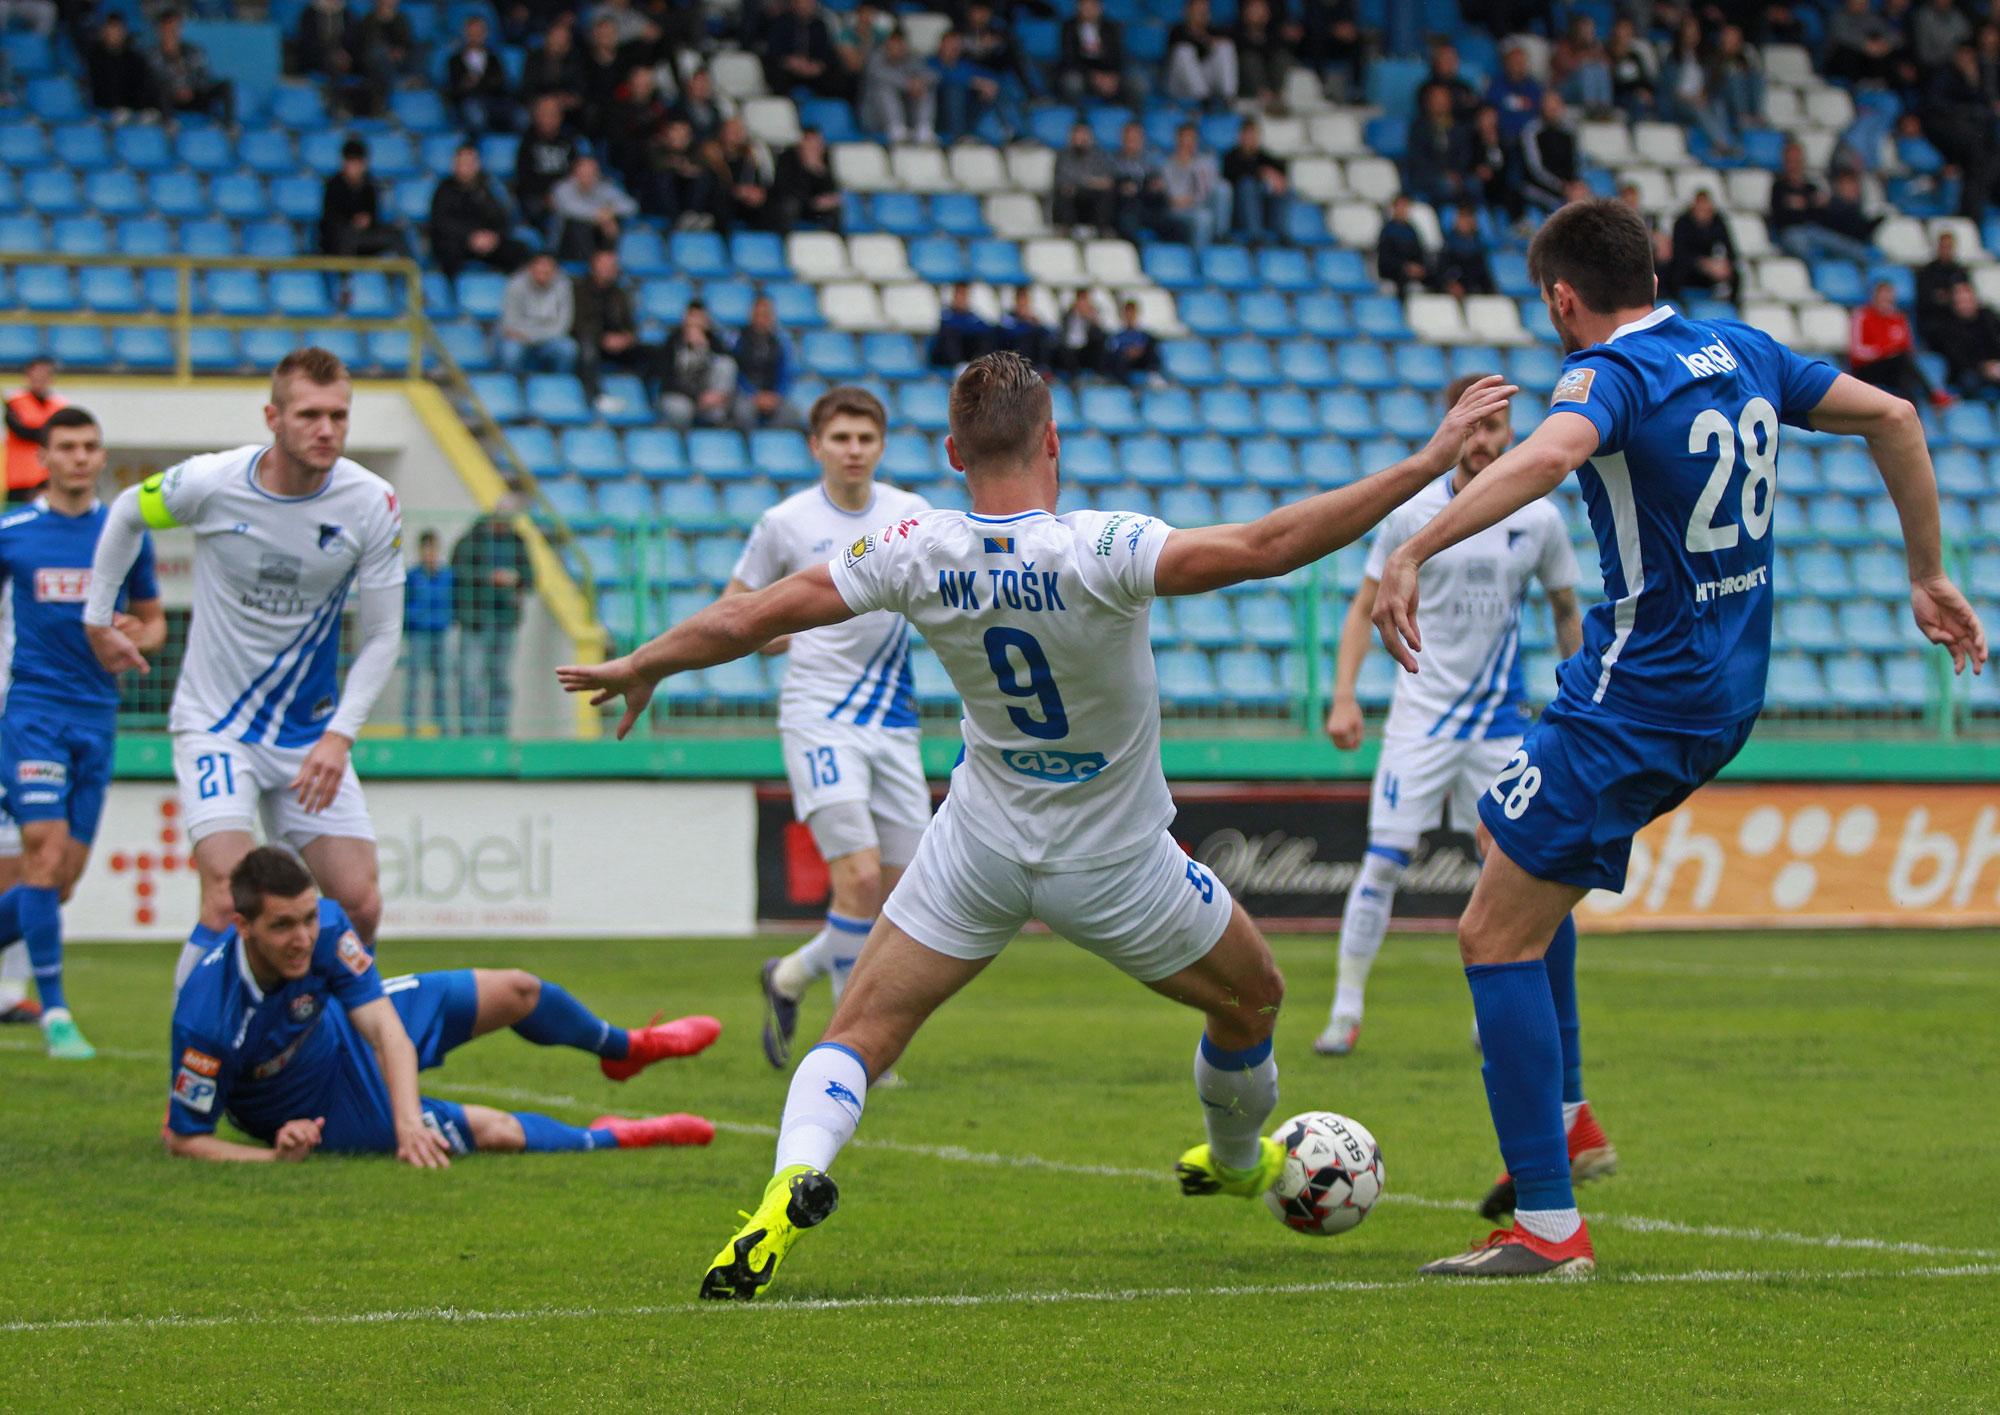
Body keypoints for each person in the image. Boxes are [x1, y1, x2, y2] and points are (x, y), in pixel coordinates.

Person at [555, 353, 1518, 1301]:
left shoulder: (911, 543)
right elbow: (1269, 544)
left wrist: (647, 662)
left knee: (863, 1028)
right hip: (1117, 861)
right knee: (1254, 997)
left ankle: (784, 1184)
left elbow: (757, 612)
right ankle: (1235, 1160)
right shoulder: (1102, 548)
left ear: (949, 452)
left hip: (976, 845)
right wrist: (1428, 461)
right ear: (1053, 441)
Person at [1368, 197, 1984, 1277]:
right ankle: (1564, 1114)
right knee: (1505, 832)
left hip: (1638, 698)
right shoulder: (1737, 347)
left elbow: (1552, 454)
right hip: (1718, 687)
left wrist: (1418, 540)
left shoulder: (1604, 376)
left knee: (1487, 934)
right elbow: (1894, 415)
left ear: (1564, 297)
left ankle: (1547, 1227)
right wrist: (1925, 573)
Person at [84, 350, 407, 993]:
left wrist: (339, 736)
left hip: (309, 738)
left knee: (361, 903)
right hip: (216, 726)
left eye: (339, 415)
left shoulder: (372, 502)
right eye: (309, 414)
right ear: (273, 417)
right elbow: (124, 510)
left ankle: (308, 1042)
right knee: (230, 901)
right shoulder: (210, 483)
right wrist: (97, 618)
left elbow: (382, 633)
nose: (327, 430)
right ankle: (195, 1065)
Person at [1317, 374, 1582, 1059]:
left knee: (1510, 868)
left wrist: (1578, 696)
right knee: (1383, 862)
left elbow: (1564, 609)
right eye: (1473, 428)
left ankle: (1493, 1012)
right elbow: (1362, 606)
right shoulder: (1412, 517)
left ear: (1512, 434)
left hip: (1500, 725)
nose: (1484, 441)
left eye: (1496, 428)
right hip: (1421, 718)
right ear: (1454, 430)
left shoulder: (1539, 518)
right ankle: (1345, 1011)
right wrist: (1344, 695)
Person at [165, 847, 721, 1164]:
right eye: (282, 926)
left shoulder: (327, 928)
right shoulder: (206, 1019)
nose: (302, 937)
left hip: (344, 1032)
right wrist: (275, 1157)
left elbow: (384, 1029)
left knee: (518, 989)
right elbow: (184, 1137)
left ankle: (625, 1048)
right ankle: (620, 1135)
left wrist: (408, 1122)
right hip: (325, 1105)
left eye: (308, 917)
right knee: (496, 1130)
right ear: (242, 928)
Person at [722, 389, 933, 1066]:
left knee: (903, 896)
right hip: (819, 717)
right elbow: (737, 613)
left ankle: (790, 974)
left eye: (865, 438)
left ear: (881, 446)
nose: (853, 450)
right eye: (840, 437)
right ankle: (852, 1049)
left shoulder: (912, 515)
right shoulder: (784, 523)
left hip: (894, 719)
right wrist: (788, 630)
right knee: (860, 878)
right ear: (816, 445)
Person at [0, 408, 165, 1059]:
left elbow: (154, 621)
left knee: (59, 880)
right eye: (65, 446)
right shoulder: (12, 531)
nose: (78, 456)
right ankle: (57, 1012)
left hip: (97, 718)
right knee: (41, 852)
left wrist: (135, 635)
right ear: (44, 457)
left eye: (90, 446)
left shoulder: (125, 534)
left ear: (101, 458)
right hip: (31, 713)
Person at [450, 497, 534, 735]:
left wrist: (515, 578)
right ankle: (472, 736)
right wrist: (488, 577)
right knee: (471, 680)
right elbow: (459, 572)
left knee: (501, 681)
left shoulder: (517, 542)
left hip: (505, 621)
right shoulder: (471, 539)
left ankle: (498, 734)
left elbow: (531, 577)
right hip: (476, 621)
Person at [429, 144, 531, 280]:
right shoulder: (444, 190)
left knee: (518, 250)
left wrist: (493, 237)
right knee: (447, 250)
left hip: (487, 242)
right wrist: (470, 236)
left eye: (471, 163)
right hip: (460, 242)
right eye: (463, 163)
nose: (467, 167)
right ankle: (453, 292)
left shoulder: (488, 187)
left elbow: (501, 217)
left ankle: (509, 290)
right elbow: (441, 222)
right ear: (454, 165)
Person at [1850, 281, 1950, 410]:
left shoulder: (1899, 318)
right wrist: (1885, 350)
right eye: (1883, 296)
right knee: (1902, 362)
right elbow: (1857, 352)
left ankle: (1912, 414)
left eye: (1889, 297)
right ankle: (1934, 396)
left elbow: (1908, 346)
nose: (1886, 300)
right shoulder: (1862, 315)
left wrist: (1892, 351)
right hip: (1867, 368)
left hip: (1894, 367)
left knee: (1905, 376)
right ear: (1874, 297)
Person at [572, 247, 649, 410]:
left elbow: (631, 325)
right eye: (605, 266)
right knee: (587, 350)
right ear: (593, 266)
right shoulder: (579, 290)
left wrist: (628, 338)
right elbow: (577, 323)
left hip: (618, 343)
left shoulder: (620, 293)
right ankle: (595, 396)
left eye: (613, 266)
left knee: (652, 353)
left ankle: (648, 402)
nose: (609, 270)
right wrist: (602, 338)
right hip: (592, 340)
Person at [319, 138, 405, 260]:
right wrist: (352, 222)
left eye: (358, 163)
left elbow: (374, 216)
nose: (354, 168)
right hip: (340, 239)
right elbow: (330, 219)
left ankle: (405, 275)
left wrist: (367, 221)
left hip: (364, 237)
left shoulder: (370, 186)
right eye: (351, 162)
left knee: (395, 234)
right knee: (344, 236)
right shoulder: (333, 186)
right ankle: (346, 278)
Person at [403, 529, 452, 734]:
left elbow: (451, 602)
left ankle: (442, 727)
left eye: (433, 549)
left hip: (439, 632)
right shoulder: (413, 576)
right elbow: (404, 604)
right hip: (418, 633)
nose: (430, 554)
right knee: (415, 681)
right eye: (426, 549)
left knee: (441, 682)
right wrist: (414, 619)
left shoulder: (446, 576)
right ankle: (411, 727)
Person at [660, 302, 739, 427]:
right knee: (681, 410)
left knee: (726, 364)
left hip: (708, 396)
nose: (695, 323)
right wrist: (697, 397)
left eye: (699, 318)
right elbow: (668, 379)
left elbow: (730, 364)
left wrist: (704, 348)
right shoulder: (672, 341)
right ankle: (682, 441)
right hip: (680, 395)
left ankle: (717, 431)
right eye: (692, 317)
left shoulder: (713, 341)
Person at [498, 251, 576, 376]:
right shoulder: (515, 284)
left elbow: (564, 323)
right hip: (520, 339)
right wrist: (526, 336)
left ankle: (557, 389)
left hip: (548, 339)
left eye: (548, 267)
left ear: (555, 270)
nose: (544, 270)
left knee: (568, 349)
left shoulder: (563, 286)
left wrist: (533, 337)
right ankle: (513, 388)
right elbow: (510, 322)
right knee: (510, 351)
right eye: (540, 265)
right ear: (530, 267)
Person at [150, 9, 234, 124]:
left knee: (225, 86)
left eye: (175, 28)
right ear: (159, 30)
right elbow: (153, 80)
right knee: (161, 91)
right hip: (169, 99)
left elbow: (204, 76)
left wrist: (191, 89)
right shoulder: (153, 55)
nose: (171, 32)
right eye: (167, 28)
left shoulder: (193, 51)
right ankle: (168, 125)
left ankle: (229, 125)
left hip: (194, 95)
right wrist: (176, 90)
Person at [550, 155, 639, 261]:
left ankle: (607, 262)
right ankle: (593, 263)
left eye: (592, 172)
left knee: (613, 223)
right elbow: (569, 209)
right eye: (583, 172)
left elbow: (631, 206)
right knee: (579, 224)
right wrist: (600, 216)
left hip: (598, 236)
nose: (588, 176)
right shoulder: (563, 188)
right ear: (574, 172)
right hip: (567, 242)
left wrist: (610, 213)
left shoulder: (604, 187)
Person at [513, 95, 581, 230]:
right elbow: (524, 179)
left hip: (566, 195)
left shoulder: (568, 140)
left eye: (553, 114)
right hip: (537, 199)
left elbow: (575, 172)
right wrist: (547, 197)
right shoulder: (527, 142)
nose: (548, 119)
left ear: (560, 117)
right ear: (535, 116)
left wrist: (560, 194)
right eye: (544, 114)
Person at [733, 296, 801, 430]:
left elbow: (785, 374)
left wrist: (776, 396)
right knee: (743, 412)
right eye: (758, 315)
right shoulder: (739, 341)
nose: (762, 319)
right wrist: (753, 394)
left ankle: (774, 447)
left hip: (773, 396)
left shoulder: (780, 343)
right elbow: (736, 373)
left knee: (792, 414)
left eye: (766, 315)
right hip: (747, 396)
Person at [1158, 122, 1229, 252]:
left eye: (1192, 139)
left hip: (1201, 204)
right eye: (1185, 139)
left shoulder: (1205, 161)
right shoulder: (1168, 165)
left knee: (1223, 189)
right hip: (1178, 212)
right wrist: (1184, 167)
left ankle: (1220, 237)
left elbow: (1210, 189)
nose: (1188, 143)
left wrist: (1196, 197)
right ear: (1178, 140)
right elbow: (1176, 200)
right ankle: (1198, 258)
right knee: (1204, 217)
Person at [4, 357, 63, 506]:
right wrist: (48, 433)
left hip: (48, 478)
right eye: (36, 375)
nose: (40, 380)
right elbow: (20, 430)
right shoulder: (15, 402)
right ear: (28, 376)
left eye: (44, 376)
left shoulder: (59, 405)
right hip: (20, 479)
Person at [1404, 81, 1472, 209]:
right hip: (1428, 176)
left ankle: (1467, 221)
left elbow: (1464, 155)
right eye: (1436, 98)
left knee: (1474, 185)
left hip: (1456, 176)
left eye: (1443, 98)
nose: (1439, 102)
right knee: (1445, 186)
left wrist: (1457, 173)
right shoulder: (1419, 128)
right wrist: (1443, 174)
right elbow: (1418, 159)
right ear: (1427, 102)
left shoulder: (1459, 128)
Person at [860, 28, 936, 144]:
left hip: (906, 115)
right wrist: (908, 84)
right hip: (874, 117)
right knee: (884, 88)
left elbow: (932, 75)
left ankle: (923, 128)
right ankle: (896, 128)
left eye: (900, 44)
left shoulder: (910, 58)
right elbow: (880, 74)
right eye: (893, 44)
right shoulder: (875, 59)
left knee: (923, 88)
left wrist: (920, 81)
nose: (897, 48)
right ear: (886, 45)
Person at [1221, 117, 1287, 245]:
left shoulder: (1264, 157)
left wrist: (1277, 178)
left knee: (1285, 190)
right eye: (1248, 135)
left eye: (1254, 135)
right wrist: (1261, 172)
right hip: (1238, 214)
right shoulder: (1230, 158)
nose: (1251, 139)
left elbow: (1280, 171)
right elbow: (1234, 175)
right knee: (1248, 186)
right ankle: (1255, 236)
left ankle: (1282, 235)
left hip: (1264, 210)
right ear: (1240, 136)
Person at [1929, 281, 2000, 398]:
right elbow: (1956, 358)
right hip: (1966, 371)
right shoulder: (1948, 326)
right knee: (1970, 381)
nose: (1965, 305)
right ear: (1954, 304)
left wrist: (1995, 364)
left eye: (1968, 300)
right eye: (1960, 302)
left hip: (1994, 367)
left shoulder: (1988, 318)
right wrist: (1984, 368)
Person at [445, 14, 514, 134]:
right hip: (468, 102)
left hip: (493, 101)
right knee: (475, 115)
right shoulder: (454, 60)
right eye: (472, 32)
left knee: (519, 116)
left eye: (479, 31)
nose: (476, 35)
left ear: (485, 33)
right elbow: (455, 88)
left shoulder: (494, 59)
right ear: (465, 33)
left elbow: (500, 83)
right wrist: (476, 83)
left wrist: (476, 82)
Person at [1667, 188, 1737, 304]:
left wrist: (1723, 265)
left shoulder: (1718, 222)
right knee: (1675, 273)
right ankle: (1681, 305)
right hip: (1689, 265)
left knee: (1736, 274)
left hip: (1710, 268)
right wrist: (1702, 263)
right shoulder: (1682, 222)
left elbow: (1730, 249)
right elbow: (1679, 253)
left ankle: (1731, 306)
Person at [771, 127, 844, 234]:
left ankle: (831, 240)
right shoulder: (786, 158)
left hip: (815, 206)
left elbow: (831, 188)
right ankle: (786, 239)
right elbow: (784, 189)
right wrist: (806, 168)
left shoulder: (824, 158)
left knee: (835, 209)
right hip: (797, 203)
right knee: (789, 207)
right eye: (811, 143)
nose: (816, 147)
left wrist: (818, 170)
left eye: (818, 143)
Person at [1165, 0, 1236, 105]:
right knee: (1184, 51)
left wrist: (1207, 39)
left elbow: (1230, 39)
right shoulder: (1177, 30)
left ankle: (1229, 97)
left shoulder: (1213, 30)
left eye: (1204, 9)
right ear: (1187, 11)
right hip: (1178, 83)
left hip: (1205, 80)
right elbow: (1183, 43)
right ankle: (1203, 99)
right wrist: (1205, 40)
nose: (1201, 12)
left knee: (1225, 46)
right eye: (1197, 9)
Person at [1058, 0, 1129, 104]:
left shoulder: (1110, 28)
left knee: (1136, 82)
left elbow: (1118, 55)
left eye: (1092, 6)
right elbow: (1069, 58)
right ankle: (1075, 115)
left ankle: (1129, 116)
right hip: (1082, 73)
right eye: (1085, 6)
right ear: (1078, 8)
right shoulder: (1069, 27)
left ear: (1100, 8)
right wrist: (1094, 76)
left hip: (1108, 72)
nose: (1089, 10)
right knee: (1072, 82)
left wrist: (1112, 75)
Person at [1052, 122, 1116, 236]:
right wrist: (1092, 182)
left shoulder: (1100, 157)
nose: (1081, 139)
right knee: (1065, 193)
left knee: (1107, 195)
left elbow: (1107, 182)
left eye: (1084, 135)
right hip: (1072, 201)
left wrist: (1082, 182)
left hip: (1092, 202)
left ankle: (1102, 231)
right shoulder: (1063, 156)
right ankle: (1065, 230)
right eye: (1078, 135)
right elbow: (1063, 181)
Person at [1519, 91, 1577, 215]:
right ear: (1542, 107)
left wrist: (1575, 184)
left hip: (1565, 188)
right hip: (1538, 186)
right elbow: (1535, 169)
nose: (1552, 110)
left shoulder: (1569, 132)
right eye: (1549, 106)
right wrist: (1561, 186)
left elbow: (1575, 162)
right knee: (1562, 209)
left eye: (1555, 106)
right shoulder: (1532, 131)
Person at [86, 14, 156, 114]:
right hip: (106, 107)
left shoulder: (134, 58)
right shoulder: (95, 57)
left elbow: (141, 85)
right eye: (111, 28)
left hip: (133, 108)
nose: (115, 33)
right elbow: (100, 88)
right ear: (104, 31)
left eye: (118, 29)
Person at [1108, 120, 1161, 243]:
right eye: (1129, 138)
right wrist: (1121, 187)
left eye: (1136, 138)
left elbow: (1157, 186)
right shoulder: (1112, 160)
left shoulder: (1151, 161)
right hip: (1122, 207)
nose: (1133, 142)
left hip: (1147, 205)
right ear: (1122, 139)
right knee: (1127, 220)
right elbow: (1108, 184)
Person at [1915, 230, 1969, 347]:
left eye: (1949, 247)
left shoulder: (1959, 271)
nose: (1946, 250)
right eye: (1943, 246)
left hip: (1958, 319)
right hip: (1935, 321)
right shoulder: (1927, 272)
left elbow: (1965, 296)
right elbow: (1926, 300)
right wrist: (1950, 298)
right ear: (1938, 247)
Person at [1430, 205, 1494, 296]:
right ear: (1457, 221)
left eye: (1470, 218)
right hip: (1451, 291)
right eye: (1463, 218)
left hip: (1473, 290)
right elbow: (1441, 270)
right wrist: (1450, 284)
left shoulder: (1478, 246)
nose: (1467, 222)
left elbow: (1483, 273)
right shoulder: (1448, 245)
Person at [1486, 42, 1543, 144]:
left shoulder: (1534, 87)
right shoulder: (1496, 85)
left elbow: (1538, 112)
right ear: (1506, 63)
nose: (1518, 65)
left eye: (1521, 62)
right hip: (1503, 134)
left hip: (1529, 135)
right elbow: (1491, 110)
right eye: (1514, 62)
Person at [1376, 193, 1429, 295]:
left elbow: (1418, 253)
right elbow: (1384, 259)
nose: (1403, 209)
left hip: (1411, 274)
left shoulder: (1412, 230)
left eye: (1406, 206)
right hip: (1393, 273)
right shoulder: (1387, 231)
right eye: (1400, 206)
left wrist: (1418, 267)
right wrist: (1404, 267)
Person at [929, 282, 991, 368]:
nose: (961, 299)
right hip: (945, 360)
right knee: (950, 334)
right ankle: (959, 366)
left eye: (964, 295)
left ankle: (976, 365)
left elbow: (984, 329)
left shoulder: (973, 318)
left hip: (968, 354)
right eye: (959, 294)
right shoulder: (945, 316)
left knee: (984, 336)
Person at [1052, 289, 1107, 381]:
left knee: (1099, 344)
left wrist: (1092, 320)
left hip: (1085, 351)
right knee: (1063, 350)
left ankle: (1098, 375)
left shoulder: (1092, 317)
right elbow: (1061, 333)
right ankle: (1073, 379)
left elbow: (1100, 335)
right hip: (1070, 349)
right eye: (1080, 300)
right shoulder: (1068, 316)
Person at [1106, 298, 1162, 385]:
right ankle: (1124, 385)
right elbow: (1114, 350)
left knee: (1151, 345)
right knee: (1117, 359)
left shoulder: (1144, 335)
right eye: (1127, 313)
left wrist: (1138, 351)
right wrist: (1127, 352)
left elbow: (1144, 346)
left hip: (1140, 361)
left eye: (1132, 313)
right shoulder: (1118, 336)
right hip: (1125, 361)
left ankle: (1153, 374)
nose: (1130, 316)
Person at [997, 287, 1051, 370]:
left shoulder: (1034, 320)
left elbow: (1047, 333)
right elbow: (1010, 332)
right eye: (1021, 301)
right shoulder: (1008, 317)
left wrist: (1034, 323)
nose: (1023, 305)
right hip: (1012, 359)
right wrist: (1024, 322)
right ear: (1016, 301)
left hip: (1031, 359)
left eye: (1026, 302)